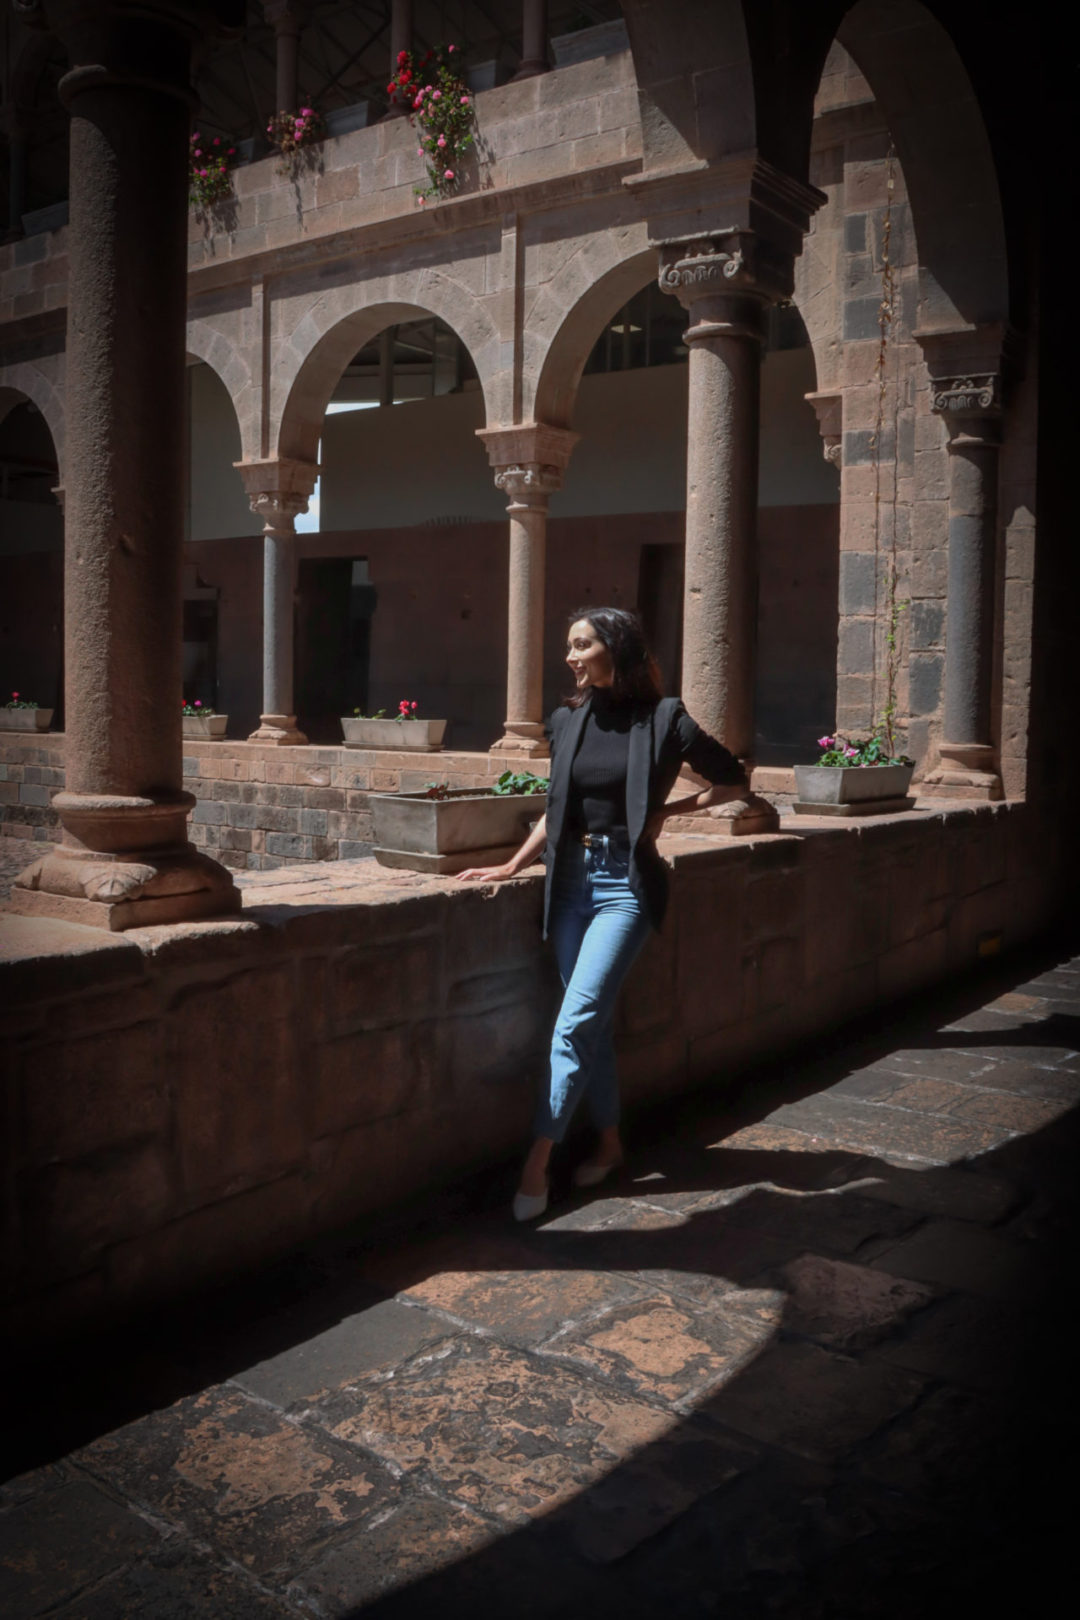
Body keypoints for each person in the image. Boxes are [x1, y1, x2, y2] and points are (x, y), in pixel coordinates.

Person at [458, 608, 750, 1220]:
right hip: (567, 887)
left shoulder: (664, 719)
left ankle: (536, 1161)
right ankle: (612, 1144)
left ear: (614, 648)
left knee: (575, 1021)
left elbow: (734, 781)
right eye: (569, 645)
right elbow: (555, 809)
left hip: (625, 887)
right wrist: (512, 867)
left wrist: (670, 813)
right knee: (588, 1023)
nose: (570, 656)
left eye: (582, 645)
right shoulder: (567, 722)